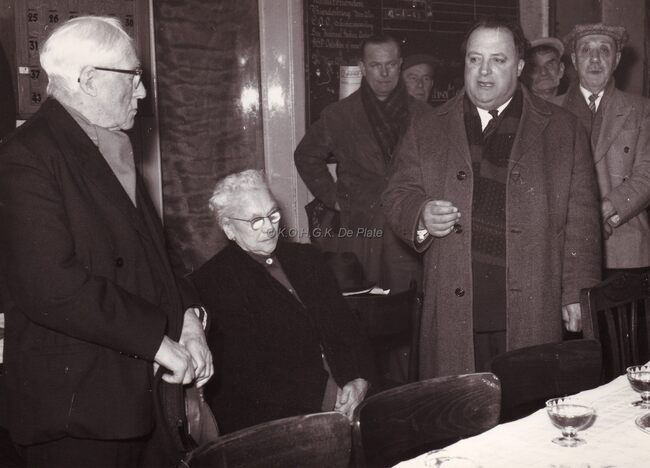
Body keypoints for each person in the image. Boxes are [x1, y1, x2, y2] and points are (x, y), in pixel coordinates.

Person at [0, 16, 212, 468]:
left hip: (140, 399)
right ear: (89, 80)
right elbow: (51, 288)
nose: (143, 91)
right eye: (133, 76)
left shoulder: (112, 144)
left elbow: (158, 253)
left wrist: (189, 318)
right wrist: (158, 341)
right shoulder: (25, 156)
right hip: (78, 413)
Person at [382, 17, 602, 378]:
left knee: (528, 404)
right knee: (460, 409)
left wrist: (577, 292)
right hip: (454, 309)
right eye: (474, 59)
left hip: (532, 305)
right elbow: (397, 194)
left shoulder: (564, 129)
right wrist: (420, 214)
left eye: (498, 60)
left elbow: (581, 219)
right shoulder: (427, 127)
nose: (483, 72)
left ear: (519, 66)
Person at [190, 169, 375, 434]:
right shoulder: (214, 280)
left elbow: (346, 327)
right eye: (255, 220)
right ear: (229, 228)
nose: (269, 227)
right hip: (279, 417)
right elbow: (249, 369)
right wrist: (328, 397)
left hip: (348, 396)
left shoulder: (307, 258)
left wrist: (360, 379)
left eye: (272, 214)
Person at [295, 34, 430, 293]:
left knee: (407, 302)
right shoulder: (339, 114)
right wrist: (333, 197)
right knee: (362, 302)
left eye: (391, 64)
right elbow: (306, 155)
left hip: (406, 227)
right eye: (376, 65)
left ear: (400, 64)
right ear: (362, 67)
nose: (384, 73)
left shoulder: (424, 115)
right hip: (359, 228)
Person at [557, 23, 650, 276]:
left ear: (617, 60)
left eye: (604, 50)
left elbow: (647, 174)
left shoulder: (642, 110)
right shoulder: (547, 110)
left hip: (625, 247)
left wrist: (604, 210)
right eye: (586, 50)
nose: (595, 58)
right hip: (564, 250)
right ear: (574, 60)